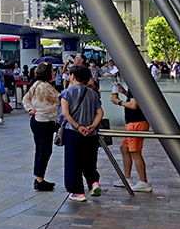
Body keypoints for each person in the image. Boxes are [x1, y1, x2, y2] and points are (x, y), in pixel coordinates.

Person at [60, 65, 103, 202]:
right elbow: (100, 112)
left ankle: (77, 191)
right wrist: (92, 126)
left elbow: (65, 114)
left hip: (73, 132)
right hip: (91, 134)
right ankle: (94, 183)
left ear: (72, 76)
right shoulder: (92, 93)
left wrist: (78, 127)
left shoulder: (67, 93)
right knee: (89, 160)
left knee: (74, 161)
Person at [23, 63, 59, 191]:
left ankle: (39, 178)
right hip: (45, 121)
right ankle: (39, 179)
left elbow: (25, 99)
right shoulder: (46, 87)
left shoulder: (35, 84)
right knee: (45, 151)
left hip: (36, 120)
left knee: (39, 150)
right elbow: (60, 99)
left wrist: (30, 109)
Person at [110, 82, 152, 192]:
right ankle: (127, 178)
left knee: (135, 151)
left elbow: (133, 105)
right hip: (133, 123)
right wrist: (124, 92)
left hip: (136, 123)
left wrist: (119, 102)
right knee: (125, 149)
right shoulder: (134, 85)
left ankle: (143, 181)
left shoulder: (135, 85)